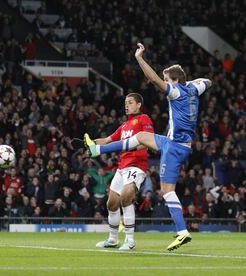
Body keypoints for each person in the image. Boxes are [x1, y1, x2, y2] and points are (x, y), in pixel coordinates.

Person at [85, 43, 212, 251]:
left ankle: (182, 232)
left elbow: (153, 79)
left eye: (168, 80)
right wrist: (189, 81)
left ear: (174, 81)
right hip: (175, 142)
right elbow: (208, 81)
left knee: (167, 191)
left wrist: (139, 59)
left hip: (174, 147)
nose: (166, 83)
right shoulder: (193, 89)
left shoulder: (177, 92)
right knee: (141, 137)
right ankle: (97, 150)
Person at [92, 93, 154, 250]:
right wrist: (90, 145)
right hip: (121, 168)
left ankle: (130, 240)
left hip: (136, 166)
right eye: (126, 103)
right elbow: (106, 141)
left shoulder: (144, 119)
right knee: (111, 203)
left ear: (139, 104)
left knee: (126, 197)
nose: (127, 105)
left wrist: (131, 146)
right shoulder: (124, 126)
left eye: (130, 102)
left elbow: (149, 141)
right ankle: (112, 239)